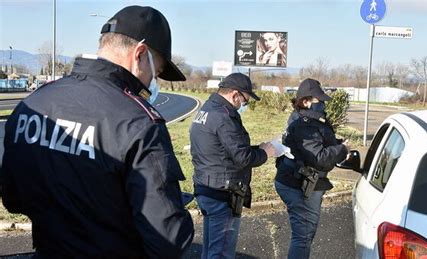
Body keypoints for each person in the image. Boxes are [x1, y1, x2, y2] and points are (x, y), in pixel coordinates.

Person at [0, 6, 194, 258]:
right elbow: (169, 241)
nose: (151, 82)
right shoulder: (139, 122)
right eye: (155, 72)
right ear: (140, 54)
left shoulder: (34, 103)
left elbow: (13, 198)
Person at [190, 73, 276, 259]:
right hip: (222, 193)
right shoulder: (224, 117)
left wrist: (256, 148)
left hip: (207, 186)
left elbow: (223, 149)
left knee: (211, 249)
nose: (244, 105)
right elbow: (243, 158)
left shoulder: (208, 109)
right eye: (245, 101)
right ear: (235, 94)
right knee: (221, 252)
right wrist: (265, 153)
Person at [275, 78, 350, 259]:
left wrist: (338, 145)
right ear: (306, 101)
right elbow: (319, 157)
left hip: (302, 182)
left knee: (305, 234)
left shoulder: (304, 119)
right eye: (320, 101)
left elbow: (316, 145)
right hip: (298, 185)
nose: (323, 105)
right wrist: (342, 150)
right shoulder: (304, 124)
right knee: (303, 236)